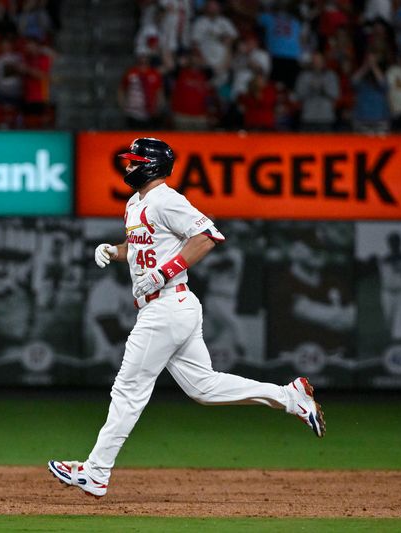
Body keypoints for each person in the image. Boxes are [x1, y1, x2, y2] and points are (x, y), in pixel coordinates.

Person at [48, 138, 326, 498]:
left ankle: (96, 472)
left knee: (128, 390)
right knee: (204, 388)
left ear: (151, 165)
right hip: (168, 306)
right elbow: (140, 251)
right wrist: (113, 251)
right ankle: (291, 398)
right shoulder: (135, 203)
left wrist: (165, 273)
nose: (128, 167)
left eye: (134, 161)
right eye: (128, 161)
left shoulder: (166, 198)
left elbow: (208, 236)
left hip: (166, 305)